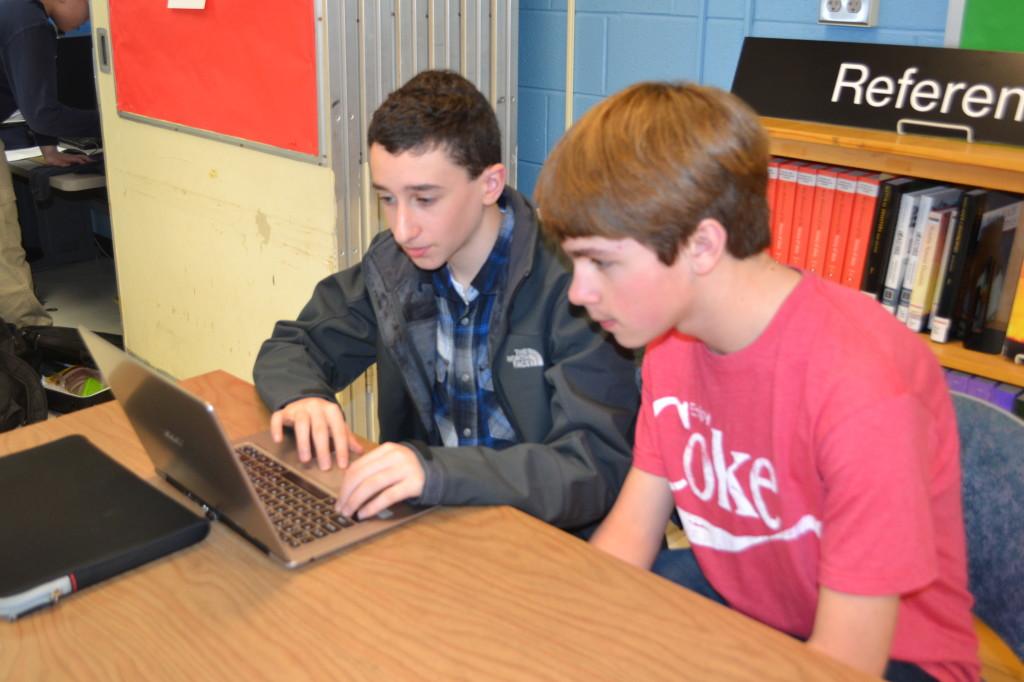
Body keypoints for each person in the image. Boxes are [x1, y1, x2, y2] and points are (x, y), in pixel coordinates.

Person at [533, 81, 979, 681]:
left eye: (602, 263)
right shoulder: (670, 342)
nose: (579, 292)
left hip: (888, 660)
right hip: (759, 619)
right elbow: (631, 538)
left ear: (702, 245)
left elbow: (846, 665)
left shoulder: (861, 384)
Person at [253, 69, 637, 531]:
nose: (402, 228)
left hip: (545, 540)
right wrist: (304, 397)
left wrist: (438, 472)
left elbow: (590, 468)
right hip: (436, 528)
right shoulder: (395, 267)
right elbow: (294, 346)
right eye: (388, 199)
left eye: (425, 199)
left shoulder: (575, 287)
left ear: (490, 185)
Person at [0, 0, 100, 328]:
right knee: (4, 250)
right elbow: (42, 111)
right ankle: (31, 341)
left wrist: (49, 149)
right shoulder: (30, 22)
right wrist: (112, 124)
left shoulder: (14, 9)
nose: (93, 17)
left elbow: (31, 99)